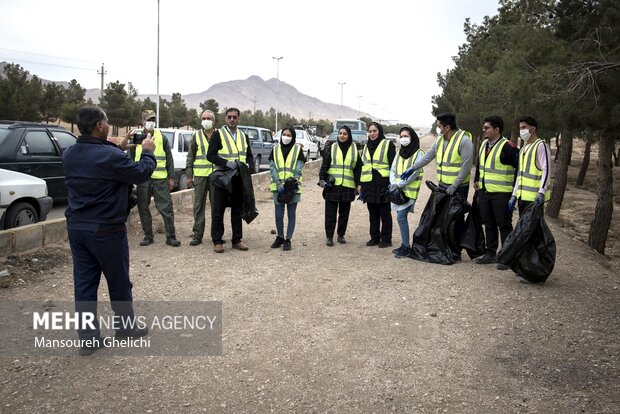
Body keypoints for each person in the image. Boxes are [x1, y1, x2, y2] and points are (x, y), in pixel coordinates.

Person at [63, 106, 155, 356]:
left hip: (77, 228)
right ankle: (125, 328)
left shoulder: (70, 153)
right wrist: (147, 152)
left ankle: (88, 338)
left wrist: (118, 147)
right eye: (106, 121)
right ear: (99, 126)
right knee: (118, 281)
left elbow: (97, 160)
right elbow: (141, 174)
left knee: (84, 284)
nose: (107, 124)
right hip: (106, 230)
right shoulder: (110, 157)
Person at [401, 113, 473, 259]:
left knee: (455, 220)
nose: (438, 128)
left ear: (447, 127)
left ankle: (455, 251)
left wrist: (455, 185)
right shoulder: (440, 140)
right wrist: (413, 168)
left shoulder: (464, 141)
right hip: (442, 187)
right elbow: (428, 156)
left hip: (458, 188)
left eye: (439, 126)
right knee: (442, 219)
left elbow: (466, 166)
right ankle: (445, 247)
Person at [129, 110, 181, 247]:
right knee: (143, 207)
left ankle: (171, 236)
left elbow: (169, 158)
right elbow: (130, 157)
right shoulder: (137, 137)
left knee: (166, 207)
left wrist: (171, 178)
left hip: (160, 179)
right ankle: (148, 236)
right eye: (148, 119)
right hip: (143, 178)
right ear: (142, 121)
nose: (151, 122)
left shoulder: (161, 137)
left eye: (153, 119)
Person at [473, 115, 519, 269]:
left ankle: (507, 256)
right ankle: (490, 253)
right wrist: (477, 180)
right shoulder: (484, 144)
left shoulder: (508, 147)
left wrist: (515, 192)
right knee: (489, 223)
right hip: (485, 193)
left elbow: (519, 169)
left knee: (504, 225)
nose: (484, 130)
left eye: (487, 128)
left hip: (502, 193)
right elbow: (481, 165)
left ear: (497, 129)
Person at [206, 107, 254, 253]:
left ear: (238, 119)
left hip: (238, 178)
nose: (232, 119)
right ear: (225, 119)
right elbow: (210, 155)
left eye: (235, 117)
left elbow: (249, 155)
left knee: (237, 210)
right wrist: (226, 163)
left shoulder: (243, 136)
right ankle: (217, 241)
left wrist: (249, 167)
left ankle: (237, 240)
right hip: (222, 178)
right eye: (229, 117)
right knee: (218, 210)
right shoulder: (218, 134)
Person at [318, 125, 362, 246]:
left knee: (344, 213)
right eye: (340, 133)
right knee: (330, 213)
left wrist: (358, 184)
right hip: (332, 186)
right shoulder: (332, 147)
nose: (342, 136)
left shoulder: (354, 149)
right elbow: (325, 165)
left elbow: (358, 168)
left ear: (349, 136)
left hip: (348, 186)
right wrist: (322, 179)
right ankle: (329, 236)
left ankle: (341, 235)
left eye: (345, 134)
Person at [388, 127, 425, 258]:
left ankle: (406, 247)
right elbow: (392, 170)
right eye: (401, 136)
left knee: (401, 217)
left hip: (409, 192)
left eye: (406, 136)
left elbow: (414, 173)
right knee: (400, 217)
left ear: (412, 137)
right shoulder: (399, 152)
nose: (403, 138)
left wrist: (398, 184)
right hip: (397, 192)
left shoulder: (418, 153)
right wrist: (393, 183)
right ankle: (404, 244)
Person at [268, 126, 306, 251]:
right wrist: (278, 182)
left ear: (293, 137)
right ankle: (280, 236)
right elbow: (272, 167)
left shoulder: (297, 150)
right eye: (284, 134)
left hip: (292, 188)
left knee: (291, 214)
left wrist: (292, 182)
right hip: (278, 188)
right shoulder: (275, 149)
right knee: (279, 215)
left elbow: (299, 168)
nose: (286, 137)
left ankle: (288, 239)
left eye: (289, 135)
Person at [358, 122, 395, 248]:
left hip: (383, 184)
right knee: (372, 214)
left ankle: (386, 239)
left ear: (379, 132)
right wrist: (360, 184)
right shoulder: (366, 146)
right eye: (370, 131)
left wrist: (392, 184)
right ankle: (374, 237)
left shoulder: (387, 144)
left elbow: (393, 166)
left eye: (374, 131)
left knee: (385, 213)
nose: (372, 133)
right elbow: (362, 166)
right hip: (368, 184)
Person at [509, 116, 551, 215]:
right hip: (522, 198)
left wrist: (541, 192)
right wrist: (514, 194)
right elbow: (520, 174)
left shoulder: (541, 146)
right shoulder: (523, 149)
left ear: (532, 129)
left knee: (533, 230)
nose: (521, 131)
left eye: (523, 127)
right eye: (520, 128)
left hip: (534, 199)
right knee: (523, 229)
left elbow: (546, 169)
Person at [186, 109, 216, 246]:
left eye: (208, 118)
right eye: (203, 118)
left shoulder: (219, 135)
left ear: (213, 120)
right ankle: (197, 235)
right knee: (198, 206)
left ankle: (217, 234)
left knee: (217, 207)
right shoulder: (196, 136)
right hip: (199, 176)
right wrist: (189, 175)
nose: (206, 121)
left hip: (216, 176)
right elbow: (190, 156)